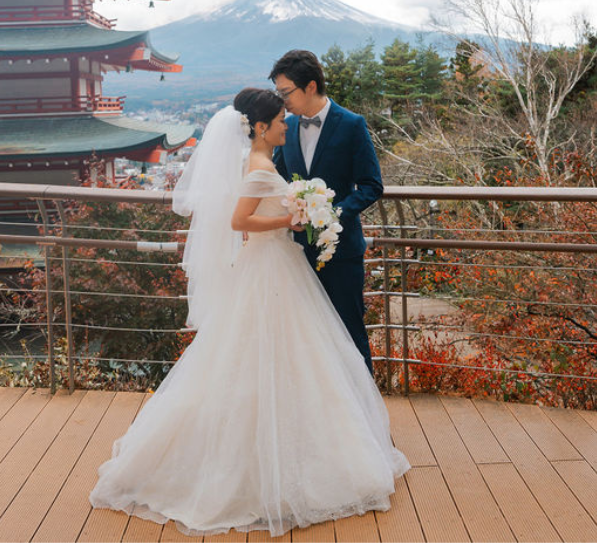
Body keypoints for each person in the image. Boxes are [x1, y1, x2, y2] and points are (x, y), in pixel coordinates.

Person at [89, 88, 408, 537]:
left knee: (281, 358)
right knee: (279, 356)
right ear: (261, 128)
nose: (286, 125)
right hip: (271, 267)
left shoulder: (263, 164)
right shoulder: (260, 169)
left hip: (278, 266)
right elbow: (239, 221)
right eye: (280, 120)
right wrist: (290, 219)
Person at [269, 50, 382, 373]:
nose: (283, 100)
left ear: (311, 86)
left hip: (342, 252)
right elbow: (277, 179)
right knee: (307, 339)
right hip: (296, 254)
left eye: (286, 92)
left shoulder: (351, 125)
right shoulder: (285, 128)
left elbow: (372, 185)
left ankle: (367, 419)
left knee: (350, 333)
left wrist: (335, 213)